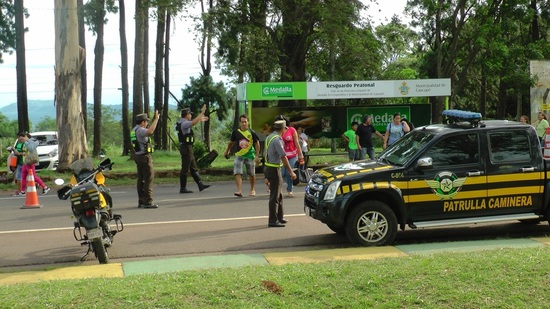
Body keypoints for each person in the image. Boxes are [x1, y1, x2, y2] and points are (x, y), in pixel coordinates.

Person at [264, 120, 297, 227]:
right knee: (274, 196)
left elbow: (265, 154)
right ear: (282, 129)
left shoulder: (269, 137)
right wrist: (291, 172)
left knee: (279, 194)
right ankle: (273, 220)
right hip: (274, 169)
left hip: (269, 167)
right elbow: (283, 157)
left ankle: (280, 217)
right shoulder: (277, 140)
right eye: (285, 129)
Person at [175, 105, 211, 194]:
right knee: (185, 169)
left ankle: (200, 185)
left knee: (193, 168)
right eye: (190, 114)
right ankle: (183, 188)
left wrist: (200, 119)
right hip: (186, 148)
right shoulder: (184, 123)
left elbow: (193, 122)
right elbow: (193, 122)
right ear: (187, 115)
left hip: (187, 147)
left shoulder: (182, 122)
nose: (190, 115)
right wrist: (202, 113)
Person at [224, 114, 260, 197]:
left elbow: (257, 143)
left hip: (250, 155)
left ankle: (252, 189)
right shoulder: (236, 132)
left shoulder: (251, 132)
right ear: (240, 122)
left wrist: (257, 155)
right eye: (242, 122)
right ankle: (239, 190)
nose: (244, 123)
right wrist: (227, 151)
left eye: (245, 122)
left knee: (251, 174)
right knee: (237, 172)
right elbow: (231, 142)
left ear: (248, 122)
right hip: (239, 155)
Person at [132, 110, 159, 209]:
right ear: (142, 122)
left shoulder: (134, 130)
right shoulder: (140, 130)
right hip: (144, 156)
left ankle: (141, 201)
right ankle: (148, 201)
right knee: (148, 178)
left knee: (141, 179)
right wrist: (156, 120)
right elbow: (150, 132)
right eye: (146, 121)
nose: (147, 123)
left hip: (138, 156)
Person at [275, 115, 303, 197]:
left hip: (293, 154)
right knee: (282, 173)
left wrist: (300, 154)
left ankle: (290, 189)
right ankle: (287, 185)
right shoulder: (277, 132)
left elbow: (297, 143)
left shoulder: (291, 130)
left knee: (289, 172)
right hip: (283, 156)